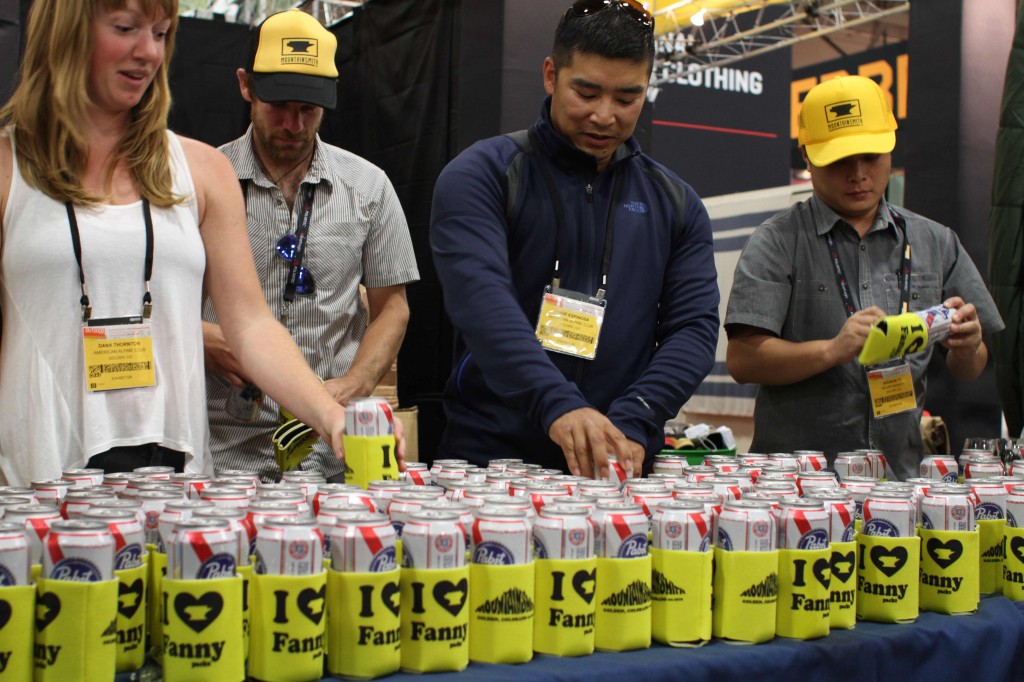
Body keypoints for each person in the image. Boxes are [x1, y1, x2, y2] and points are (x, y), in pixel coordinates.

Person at [0, 0, 352, 486]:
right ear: (65, 33)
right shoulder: (7, 169)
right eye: (125, 28)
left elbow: (249, 325)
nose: (148, 51)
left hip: (174, 480)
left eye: (161, 33)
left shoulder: (202, 171)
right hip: (36, 480)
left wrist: (329, 415)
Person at [429, 0, 720, 480]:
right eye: (586, 92)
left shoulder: (675, 202)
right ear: (550, 74)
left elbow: (693, 329)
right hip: (490, 466)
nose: (605, 116)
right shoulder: (483, 175)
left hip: (618, 463)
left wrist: (636, 416)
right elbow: (482, 304)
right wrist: (557, 404)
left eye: (627, 99)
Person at [724, 75, 1005, 481]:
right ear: (807, 156)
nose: (858, 174)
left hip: (897, 481)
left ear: (891, 147)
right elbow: (743, 359)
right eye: (839, 160)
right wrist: (832, 350)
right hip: (798, 486)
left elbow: (970, 368)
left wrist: (968, 346)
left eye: (871, 156)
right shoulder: (777, 241)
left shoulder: (936, 242)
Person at [202, 9, 419, 482]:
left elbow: (392, 307)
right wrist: (204, 337)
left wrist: (355, 383)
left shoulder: (369, 187)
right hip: (220, 448)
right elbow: (153, 303)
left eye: (309, 109)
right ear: (246, 86)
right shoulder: (203, 181)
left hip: (329, 450)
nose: (293, 125)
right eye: (278, 105)